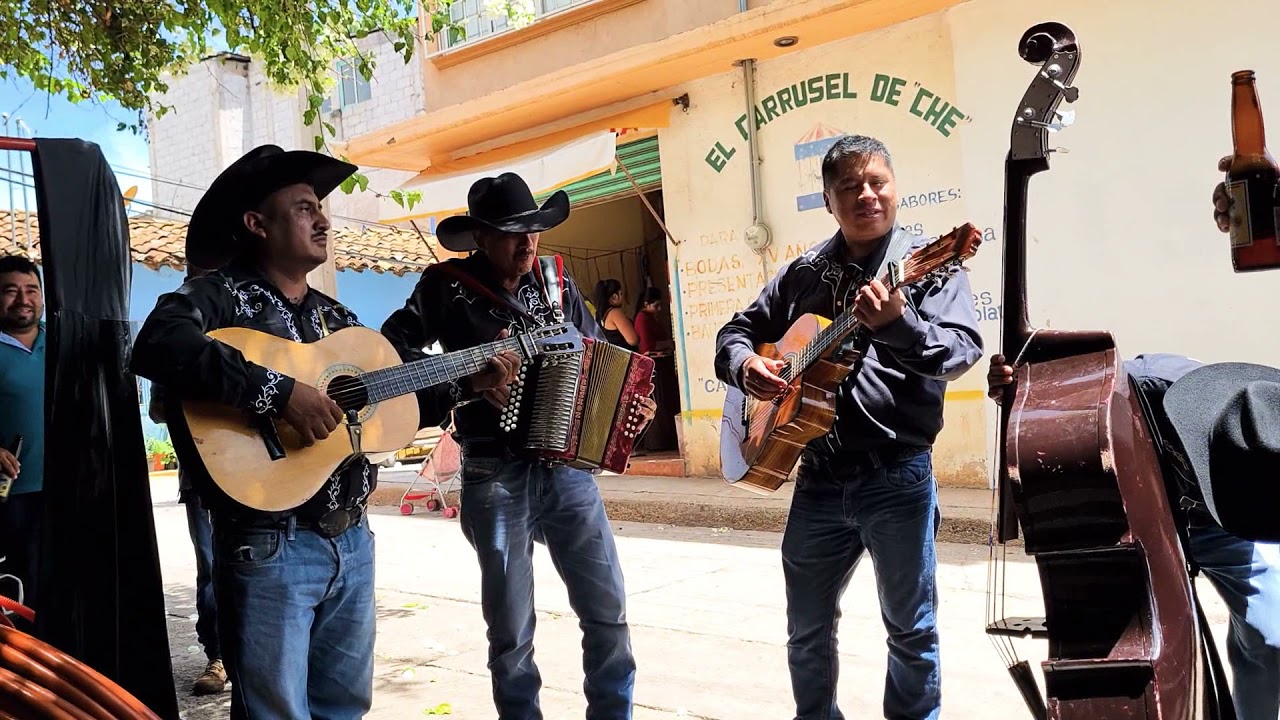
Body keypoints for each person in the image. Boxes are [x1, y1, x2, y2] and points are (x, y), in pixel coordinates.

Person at [129, 145, 519, 719]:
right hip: (269, 543)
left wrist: (467, 381)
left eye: (321, 207)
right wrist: (281, 393)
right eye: (305, 207)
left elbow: (395, 401)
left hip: (352, 541)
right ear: (257, 224)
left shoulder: (337, 321)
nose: (324, 219)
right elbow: (159, 342)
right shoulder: (221, 296)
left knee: (343, 709)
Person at [714, 134, 984, 720]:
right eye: (850, 187)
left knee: (911, 631)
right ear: (829, 201)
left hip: (897, 478)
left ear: (894, 187)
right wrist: (747, 365)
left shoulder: (927, 266)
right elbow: (734, 332)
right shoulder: (804, 274)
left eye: (877, 182)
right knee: (806, 630)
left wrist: (898, 326)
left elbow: (962, 352)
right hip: (817, 479)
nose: (867, 195)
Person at [381, 171, 657, 720]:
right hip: (493, 472)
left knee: (608, 610)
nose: (527, 242)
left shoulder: (556, 280)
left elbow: (599, 355)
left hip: (568, 473)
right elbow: (390, 358)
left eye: (533, 229)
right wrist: (467, 384)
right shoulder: (443, 287)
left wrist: (628, 404)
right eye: (512, 232)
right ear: (480, 237)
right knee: (511, 635)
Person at [986, 352, 1280, 719]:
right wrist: (1021, 394)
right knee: (1143, 644)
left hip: (1225, 522)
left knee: (1273, 637)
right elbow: (1064, 404)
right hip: (1142, 516)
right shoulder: (1142, 386)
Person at [146, 265, 226, 696]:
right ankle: (217, 655)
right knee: (211, 568)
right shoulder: (178, 338)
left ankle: (255, 653)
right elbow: (159, 410)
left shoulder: (262, 329)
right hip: (202, 477)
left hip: (268, 476)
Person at [0, 255, 45, 626]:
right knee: (20, 590)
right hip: (12, 496)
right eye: (11, 291)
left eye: (31, 290)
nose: (23, 300)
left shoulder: (64, 343)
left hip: (66, 492)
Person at [594, 278, 638, 350]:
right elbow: (633, 340)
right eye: (620, 294)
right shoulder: (615, 313)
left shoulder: (598, 315)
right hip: (625, 356)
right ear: (615, 296)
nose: (622, 297)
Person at [633, 287, 673, 356]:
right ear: (646, 305)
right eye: (656, 306)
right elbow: (647, 346)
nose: (659, 309)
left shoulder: (649, 317)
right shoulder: (642, 319)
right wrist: (668, 343)